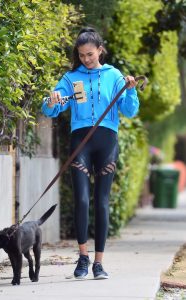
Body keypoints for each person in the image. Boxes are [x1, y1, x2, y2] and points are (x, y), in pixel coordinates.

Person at [41, 27, 139, 280]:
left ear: (100, 50)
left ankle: (99, 263)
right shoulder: (71, 78)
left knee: (101, 201)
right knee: (82, 200)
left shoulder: (114, 75)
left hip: (107, 141)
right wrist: (52, 101)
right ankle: (83, 257)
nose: (86, 59)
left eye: (90, 54)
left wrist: (130, 89)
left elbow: (129, 111)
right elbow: (52, 108)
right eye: (82, 55)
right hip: (80, 141)